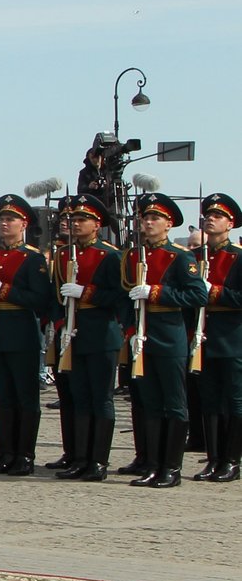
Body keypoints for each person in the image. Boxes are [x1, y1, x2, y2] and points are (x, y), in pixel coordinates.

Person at [121, 191, 206, 488]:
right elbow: (124, 298)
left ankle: (171, 467)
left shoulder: (181, 257)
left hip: (170, 336)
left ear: (169, 224)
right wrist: (130, 331)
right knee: (151, 404)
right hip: (143, 337)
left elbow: (198, 294)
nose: (149, 222)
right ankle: (154, 464)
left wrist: (157, 292)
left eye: (155, 217)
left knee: (174, 403)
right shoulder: (133, 256)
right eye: (146, 217)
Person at [54, 193, 128, 482]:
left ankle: (98, 461)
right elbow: (54, 295)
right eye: (71, 219)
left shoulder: (110, 255)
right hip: (74, 333)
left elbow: (119, 296)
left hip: (101, 335)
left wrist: (85, 293)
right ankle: (80, 458)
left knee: (101, 399)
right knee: (80, 398)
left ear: (97, 224)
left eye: (82, 219)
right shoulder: (63, 255)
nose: (74, 223)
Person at [0, 194, 52, 476]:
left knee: (25, 397)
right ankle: (6, 452)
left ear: (24, 224)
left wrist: (4, 290)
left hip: (22, 333)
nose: (4, 224)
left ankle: (25, 454)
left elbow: (40, 300)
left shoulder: (32, 259)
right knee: (4, 396)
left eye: (11, 219)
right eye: (1, 220)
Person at [190, 194, 242, 481]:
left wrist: (214, 292)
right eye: (208, 215)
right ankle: (213, 459)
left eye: (218, 216)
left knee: (234, 399)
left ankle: (231, 460)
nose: (210, 219)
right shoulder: (195, 257)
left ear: (230, 223)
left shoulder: (238, 257)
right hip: (203, 336)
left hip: (232, 336)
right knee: (208, 400)